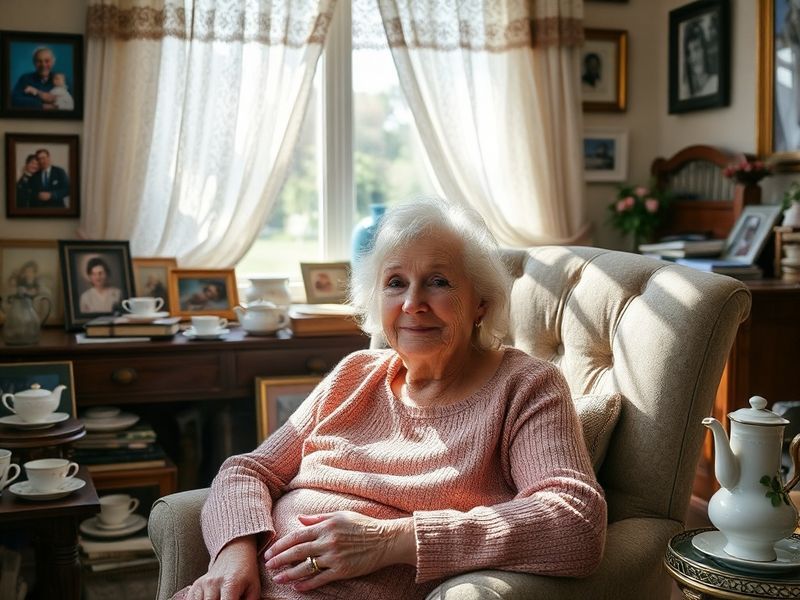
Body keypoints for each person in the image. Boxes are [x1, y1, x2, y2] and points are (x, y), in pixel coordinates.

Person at [177, 197, 606, 600]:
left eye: (438, 282)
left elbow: (574, 521)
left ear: (480, 303)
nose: (412, 303)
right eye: (395, 283)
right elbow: (247, 470)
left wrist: (390, 541)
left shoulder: (523, 387)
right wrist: (232, 555)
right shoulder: (354, 374)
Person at [683, 20, 718, 98]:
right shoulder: (688, 93)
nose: (693, 57)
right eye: (688, 52)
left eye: (696, 48)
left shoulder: (715, 82)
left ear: (704, 50)